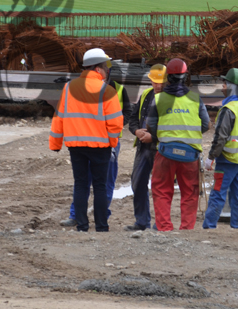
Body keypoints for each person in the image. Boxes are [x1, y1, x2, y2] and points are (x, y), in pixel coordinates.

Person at [49, 48, 123, 232]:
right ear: (98, 69)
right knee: (99, 186)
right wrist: (112, 144)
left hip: (76, 146)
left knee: (80, 184)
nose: (107, 70)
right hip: (100, 147)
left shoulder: (68, 88)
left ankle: (82, 225)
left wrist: (56, 144)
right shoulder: (107, 90)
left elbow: (59, 118)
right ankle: (101, 226)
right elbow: (115, 124)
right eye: (105, 67)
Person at [60, 67, 132, 228]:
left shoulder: (117, 89)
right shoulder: (84, 88)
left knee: (104, 182)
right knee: (86, 182)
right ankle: (79, 217)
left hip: (109, 142)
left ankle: (100, 217)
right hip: (93, 142)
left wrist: (115, 128)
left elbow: (127, 111)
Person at [146, 58, 210, 231]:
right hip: (190, 155)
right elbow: (206, 125)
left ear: (168, 77)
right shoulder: (196, 99)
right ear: (185, 76)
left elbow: (151, 125)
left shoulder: (158, 99)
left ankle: (164, 227)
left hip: (165, 152)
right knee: (190, 192)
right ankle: (187, 229)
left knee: (161, 190)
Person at [202, 68, 238, 229]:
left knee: (218, 193)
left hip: (227, 160)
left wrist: (211, 157)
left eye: (225, 83)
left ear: (232, 85)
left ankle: (209, 226)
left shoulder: (228, 110)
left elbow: (220, 137)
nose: (222, 86)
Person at [124, 64, 167, 231]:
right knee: (138, 183)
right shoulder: (146, 95)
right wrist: (136, 131)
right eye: (155, 82)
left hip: (160, 149)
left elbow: (174, 126)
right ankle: (142, 222)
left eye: (161, 82)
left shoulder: (171, 99)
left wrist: (153, 137)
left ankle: (160, 224)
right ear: (150, 81)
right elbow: (133, 118)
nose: (158, 86)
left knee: (160, 187)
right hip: (143, 148)